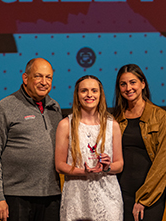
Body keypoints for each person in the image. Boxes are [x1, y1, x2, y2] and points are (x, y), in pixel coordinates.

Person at [0, 58, 63, 221]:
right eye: (38, 76)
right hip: (17, 197)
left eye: (48, 77)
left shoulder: (55, 108)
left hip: (51, 195)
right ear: (25, 78)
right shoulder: (4, 108)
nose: (44, 82)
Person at [55, 75, 124, 221]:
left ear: (100, 94)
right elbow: (59, 165)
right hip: (77, 197)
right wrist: (83, 172)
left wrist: (107, 167)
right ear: (77, 95)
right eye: (84, 91)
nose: (89, 95)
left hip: (108, 197)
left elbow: (119, 165)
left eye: (94, 90)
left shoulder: (112, 125)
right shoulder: (66, 125)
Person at [113, 64, 166, 221]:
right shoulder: (115, 119)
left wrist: (144, 199)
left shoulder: (160, 116)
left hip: (150, 195)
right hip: (121, 193)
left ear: (143, 84)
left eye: (133, 82)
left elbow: (163, 162)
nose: (128, 88)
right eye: (123, 84)